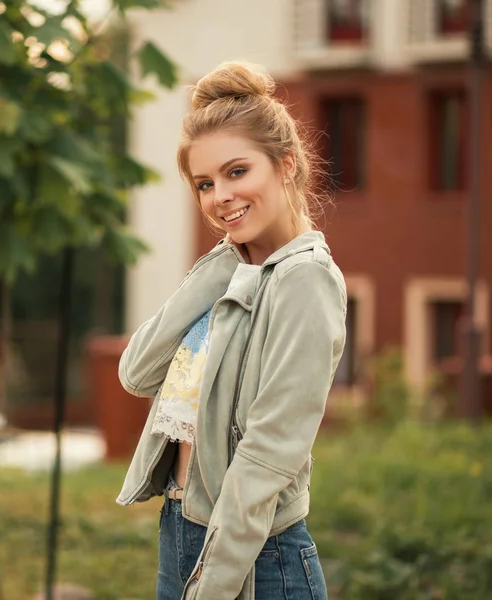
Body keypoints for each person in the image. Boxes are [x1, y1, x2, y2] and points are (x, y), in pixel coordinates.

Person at [116, 62, 347, 600]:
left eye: (237, 172)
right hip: (181, 531)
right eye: (204, 184)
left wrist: (212, 586)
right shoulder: (235, 271)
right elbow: (137, 371)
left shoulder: (304, 280)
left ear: (285, 164)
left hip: (256, 558)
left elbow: (269, 455)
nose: (220, 195)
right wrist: (225, 259)